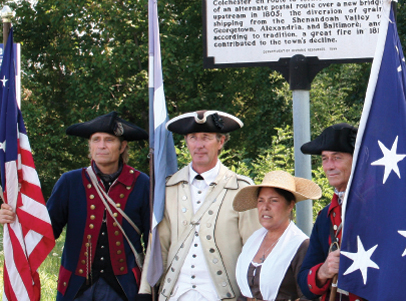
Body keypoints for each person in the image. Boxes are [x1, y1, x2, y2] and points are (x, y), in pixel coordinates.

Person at [0, 111, 151, 301]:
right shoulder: (70, 182)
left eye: (109, 140)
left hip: (124, 290)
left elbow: (153, 242)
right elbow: (45, 229)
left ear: (122, 147)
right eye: (96, 140)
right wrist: (13, 217)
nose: (101, 145)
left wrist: (146, 289)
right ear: (90, 146)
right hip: (75, 289)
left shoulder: (142, 183)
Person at [138, 110, 260, 301]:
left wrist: (252, 295)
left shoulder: (241, 188)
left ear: (221, 142)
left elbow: (253, 247)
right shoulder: (169, 187)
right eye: (193, 138)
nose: (199, 145)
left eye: (206, 137)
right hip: (175, 293)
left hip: (223, 295)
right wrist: (145, 290)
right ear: (186, 142)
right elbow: (159, 244)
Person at [297, 123, 364, 301]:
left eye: (337, 157)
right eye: (325, 158)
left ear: (356, 159)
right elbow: (304, 282)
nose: (329, 166)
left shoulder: (381, 210)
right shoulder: (326, 217)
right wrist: (323, 271)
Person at [233, 170, 322, 301]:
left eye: (273, 201)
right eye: (261, 201)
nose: (265, 207)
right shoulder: (253, 240)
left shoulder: (300, 245)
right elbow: (244, 294)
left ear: (290, 205)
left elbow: (308, 296)